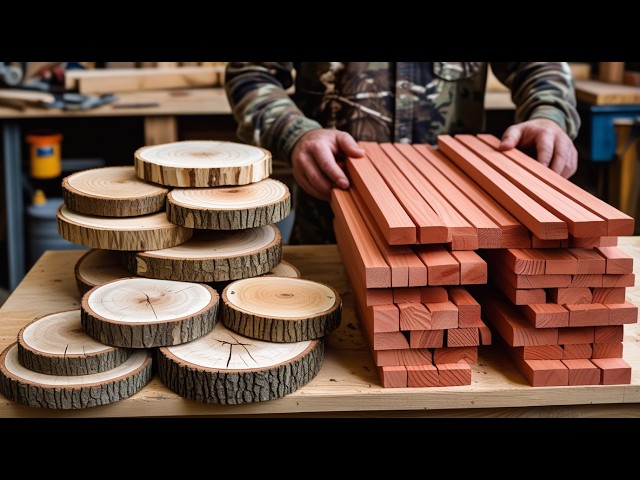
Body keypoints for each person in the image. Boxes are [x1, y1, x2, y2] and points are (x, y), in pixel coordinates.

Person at [224, 62, 581, 244]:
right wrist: (296, 133)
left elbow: (539, 67)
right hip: (332, 223)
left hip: (463, 230)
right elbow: (251, 73)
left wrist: (549, 116)